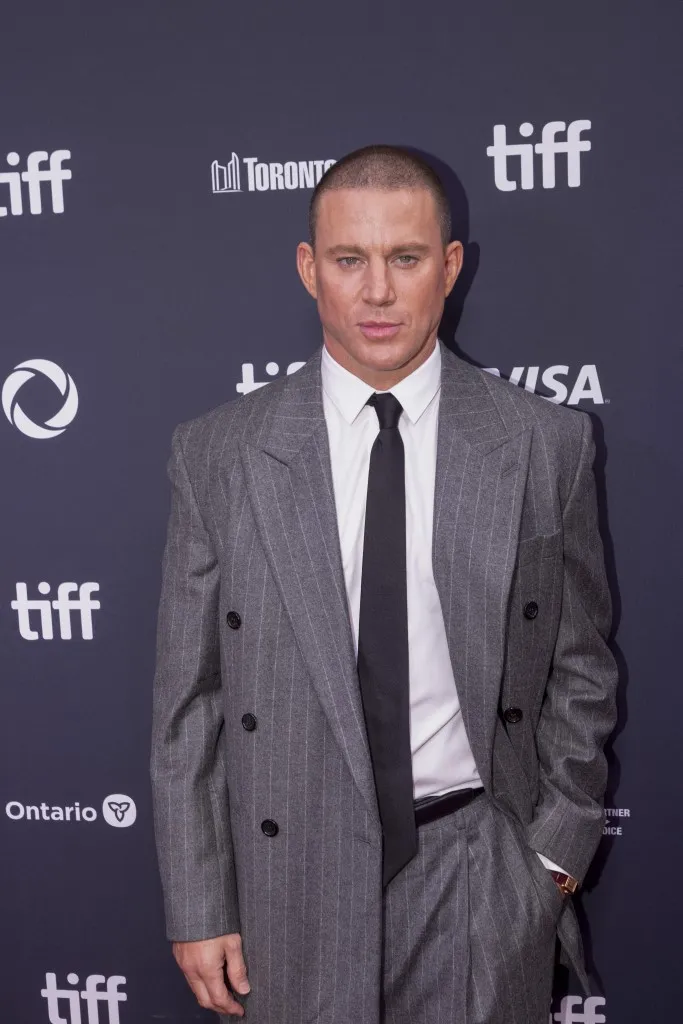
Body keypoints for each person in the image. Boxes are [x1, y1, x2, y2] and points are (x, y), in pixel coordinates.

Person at [150, 145, 618, 1023]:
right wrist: (200, 900)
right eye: (347, 259)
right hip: (286, 880)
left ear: (447, 268)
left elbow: (581, 666)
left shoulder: (542, 443)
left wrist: (549, 859)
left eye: (403, 259)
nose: (375, 292)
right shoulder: (217, 452)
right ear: (307, 268)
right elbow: (190, 704)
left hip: (477, 871)